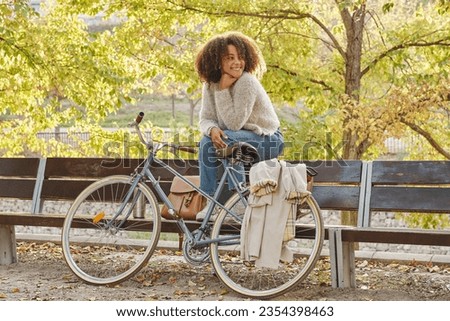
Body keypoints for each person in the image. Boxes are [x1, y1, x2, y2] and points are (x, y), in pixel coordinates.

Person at [194, 31, 284, 220]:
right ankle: (210, 201)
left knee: (228, 139)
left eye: (240, 57)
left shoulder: (246, 82)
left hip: (268, 139)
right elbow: (205, 118)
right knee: (205, 141)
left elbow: (234, 124)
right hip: (236, 137)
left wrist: (224, 90)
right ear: (217, 61)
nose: (237, 62)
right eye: (230, 58)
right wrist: (211, 129)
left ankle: (238, 201)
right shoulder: (211, 85)